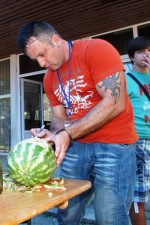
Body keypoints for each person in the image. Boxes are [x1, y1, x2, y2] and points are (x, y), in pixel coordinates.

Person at [18, 21, 138, 225]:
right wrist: (52, 135)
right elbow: (59, 119)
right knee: (67, 215)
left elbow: (115, 102)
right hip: (76, 147)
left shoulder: (96, 49)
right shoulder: (49, 78)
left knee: (110, 218)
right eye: (35, 59)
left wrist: (68, 133)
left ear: (56, 40)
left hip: (114, 146)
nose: (41, 63)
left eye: (42, 54)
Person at [126, 37, 150, 225]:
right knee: (138, 194)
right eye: (141, 51)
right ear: (131, 57)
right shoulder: (125, 80)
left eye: (149, 50)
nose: (146, 54)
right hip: (138, 141)